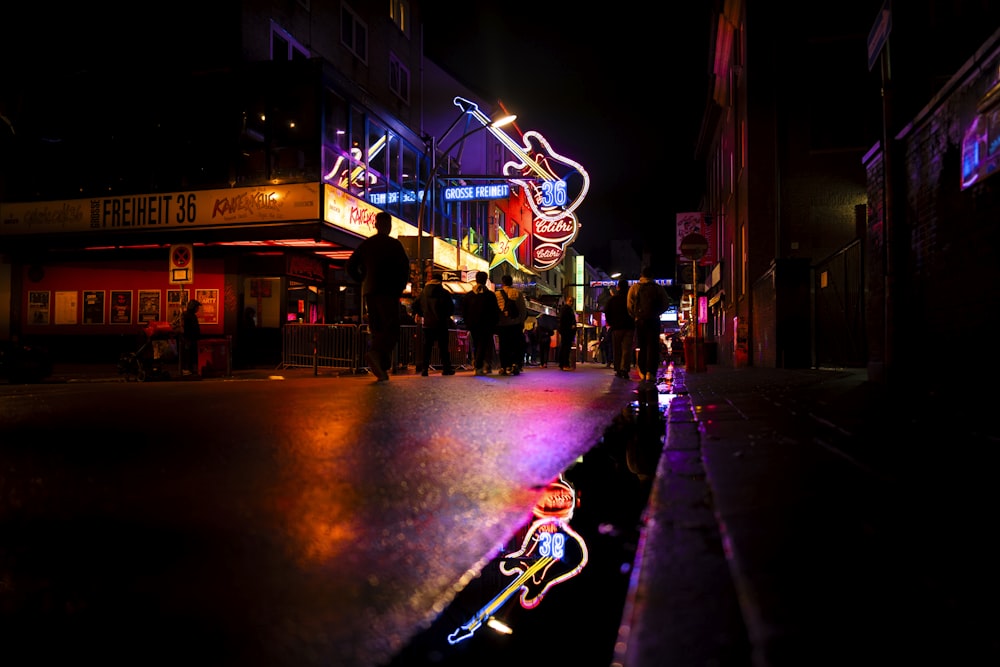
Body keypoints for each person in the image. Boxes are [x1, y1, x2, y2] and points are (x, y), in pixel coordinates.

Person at [346, 211, 410, 382]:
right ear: (388, 226)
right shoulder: (394, 245)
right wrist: (400, 287)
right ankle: (376, 356)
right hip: (388, 291)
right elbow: (405, 269)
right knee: (391, 328)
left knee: (377, 329)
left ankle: (381, 369)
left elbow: (351, 265)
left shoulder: (366, 245)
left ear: (375, 225)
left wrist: (362, 280)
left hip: (370, 291)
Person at [627, 266, 671, 382]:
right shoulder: (658, 288)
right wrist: (657, 313)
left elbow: (629, 306)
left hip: (640, 321)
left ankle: (642, 371)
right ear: (652, 276)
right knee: (653, 346)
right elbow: (666, 304)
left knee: (642, 346)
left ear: (641, 276)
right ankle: (651, 373)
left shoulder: (635, 288)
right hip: (654, 320)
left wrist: (636, 315)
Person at [412, 271, 456, 376]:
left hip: (428, 323)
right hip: (441, 324)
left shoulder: (423, 293)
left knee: (427, 347)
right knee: (443, 347)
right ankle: (446, 369)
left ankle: (425, 369)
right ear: (440, 281)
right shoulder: (445, 293)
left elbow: (415, 305)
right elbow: (450, 308)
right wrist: (445, 316)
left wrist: (422, 313)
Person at [461, 270, 501, 376]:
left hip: (473, 325)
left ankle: (479, 365)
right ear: (485, 280)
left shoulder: (469, 295)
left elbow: (464, 311)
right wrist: (495, 323)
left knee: (477, 344)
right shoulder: (490, 295)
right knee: (485, 345)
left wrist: (467, 322)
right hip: (487, 325)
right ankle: (483, 364)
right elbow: (495, 311)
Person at [495, 274, 527, 376]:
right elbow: (523, 310)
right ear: (511, 282)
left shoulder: (497, 294)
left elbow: (495, 311)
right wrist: (521, 321)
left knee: (503, 346)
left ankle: (504, 366)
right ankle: (515, 364)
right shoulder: (518, 293)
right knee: (515, 345)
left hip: (502, 325)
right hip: (515, 325)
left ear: (502, 283)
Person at [604, 277, 635, 379]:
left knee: (616, 349)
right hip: (629, 327)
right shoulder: (630, 299)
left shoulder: (613, 300)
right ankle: (624, 369)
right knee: (626, 349)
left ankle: (618, 369)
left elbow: (607, 313)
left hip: (616, 328)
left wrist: (612, 323)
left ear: (618, 287)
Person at [181, 299, 201, 376]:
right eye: (197, 307)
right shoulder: (188, 315)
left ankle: (189, 369)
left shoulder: (188, 315)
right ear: (193, 307)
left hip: (190, 338)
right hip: (189, 338)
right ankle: (187, 369)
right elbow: (188, 328)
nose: (198, 309)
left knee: (190, 354)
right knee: (188, 354)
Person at [557, 293, 577, 371]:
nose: (571, 303)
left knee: (565, 348)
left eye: (572, 301)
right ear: (566, 301)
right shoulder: (566, 309)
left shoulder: (567, 309)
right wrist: (571, 326)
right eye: (570, 301)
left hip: (567, 332)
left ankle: (563, 364)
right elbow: (564, 321)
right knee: (565, 348)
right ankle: (564, 364)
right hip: (567, 332)